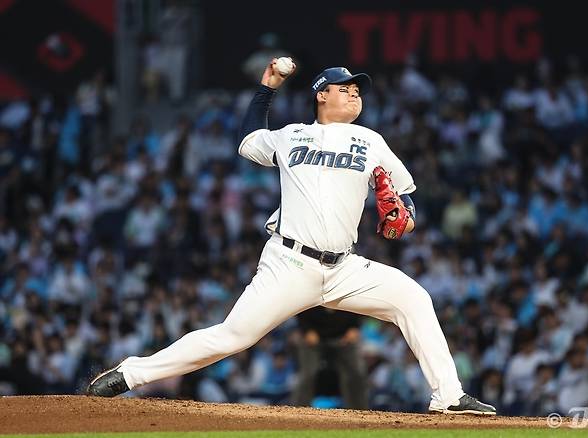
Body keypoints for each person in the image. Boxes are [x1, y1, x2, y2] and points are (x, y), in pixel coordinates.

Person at [88, 59, 495, 415]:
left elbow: (404, 197)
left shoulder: (371, 141)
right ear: (321, 95)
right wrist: (266, 89)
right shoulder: (290, 135)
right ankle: (132, 373)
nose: (355, 94)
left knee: (414, 298)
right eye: (345, 88)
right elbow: (248, 141)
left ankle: (449, 396)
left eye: (358, 90)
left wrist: (406, 218)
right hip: (289, 263)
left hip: (345, 268)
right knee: (232, 336)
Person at [292, 307, 368, 409]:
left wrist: (355, 326)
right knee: (308, 373)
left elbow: (359, 303)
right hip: (314, 334)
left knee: (355, 372)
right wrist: (306, 329)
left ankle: (359, 411)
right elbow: (301, 305)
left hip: (344, 335)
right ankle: (299, 410)